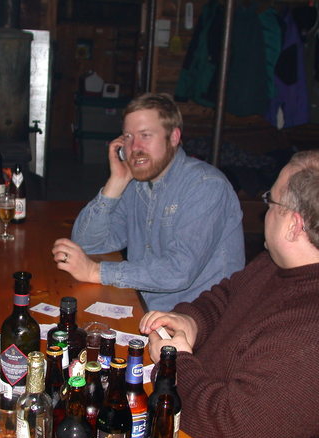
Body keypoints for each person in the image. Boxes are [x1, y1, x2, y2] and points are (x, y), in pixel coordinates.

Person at [140, 150, 319, 438]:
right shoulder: (288, 262)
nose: (265, 210)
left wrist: (177, 365)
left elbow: (230, 432)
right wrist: (191, 320)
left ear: (294, 225)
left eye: (271, 200)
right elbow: (227, 296)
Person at [52, 93, 245, 311]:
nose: (134, 147)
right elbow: (88, 243)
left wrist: (96, 272)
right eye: (127, 137)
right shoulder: (136, 183)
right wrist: (115, 183)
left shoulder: (206, 186)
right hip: (143, 306)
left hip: (197, 322)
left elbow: (179, 271)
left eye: (145, 135)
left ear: (173, 137)